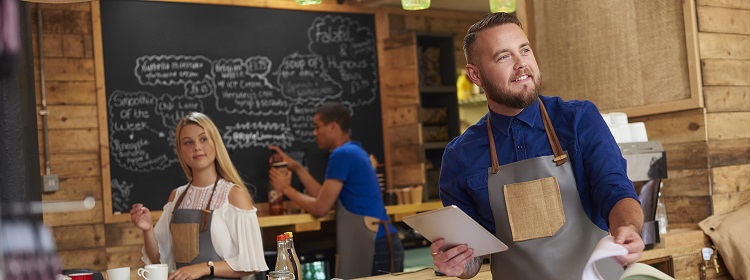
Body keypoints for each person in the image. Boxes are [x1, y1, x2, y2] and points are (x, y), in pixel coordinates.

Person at [430, 12, 645, 279]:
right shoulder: (460, 156)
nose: (521, 64)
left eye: (525, 50)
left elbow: (615, 188)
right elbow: (472, 258)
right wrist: (458, 265)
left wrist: (628, 228)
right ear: (475, 75)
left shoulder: (578, 119)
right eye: (504, 56)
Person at [268, 102, 404, 279]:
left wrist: (285, 188)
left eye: (317, 127)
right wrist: (298, 168)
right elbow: (323, 195)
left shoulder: (341, 155)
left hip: (375, 246)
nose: (314, 133)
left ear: (332, 126)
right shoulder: (354, 150)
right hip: (381, 243)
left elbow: (320, 207)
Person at [130, 112, 268, 280]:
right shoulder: (176, 197)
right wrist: (148, 229)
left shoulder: (233, 195)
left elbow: (251, 264)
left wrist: (204, 268)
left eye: (203, 139)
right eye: (188, 142)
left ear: (215, 143)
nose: (196, 146)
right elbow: (158, 259)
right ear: (180, 151)